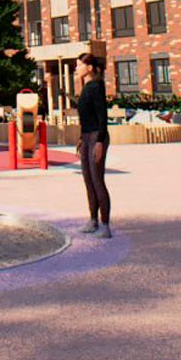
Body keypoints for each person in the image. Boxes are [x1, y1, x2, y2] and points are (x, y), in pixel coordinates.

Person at [74, 54, 112, 238]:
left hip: (97, 136)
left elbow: (102, 116)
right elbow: (85, 117)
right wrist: (81, 138)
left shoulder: (96, 86)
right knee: (88, 180)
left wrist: (99, 141)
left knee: (97, 180)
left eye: (79, 65)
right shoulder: (86, 87)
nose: (76, 69)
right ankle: (93, 220)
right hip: (87, 137)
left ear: (89, 68)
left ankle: (105, 226)